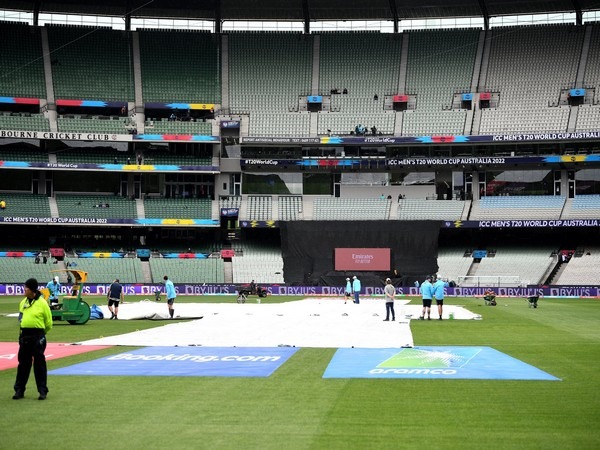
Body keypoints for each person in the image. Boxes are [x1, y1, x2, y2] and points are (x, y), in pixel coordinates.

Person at [13, 278, 52, 400]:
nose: (24, 289)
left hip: (37, 336)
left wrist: (41, 334)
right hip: (24, 335)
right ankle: (19, 390)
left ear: (32, 290)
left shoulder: (42, 303)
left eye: (26, 288)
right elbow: (21, 318)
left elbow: (48, 322)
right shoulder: (23, 302)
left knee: (39, 364)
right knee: (23, 364)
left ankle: (42, 391)